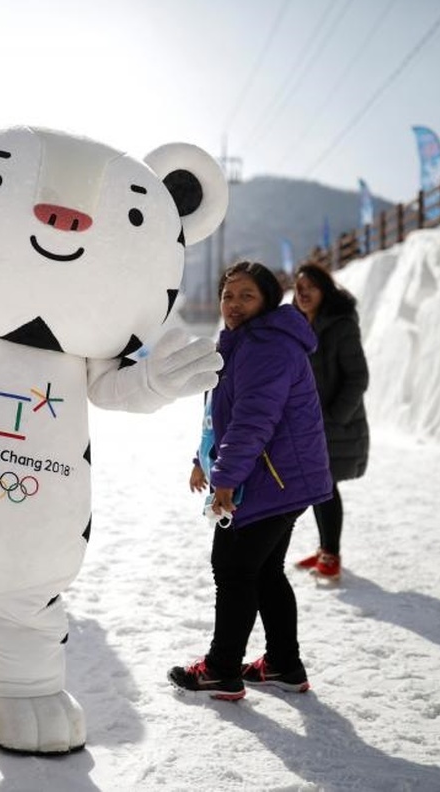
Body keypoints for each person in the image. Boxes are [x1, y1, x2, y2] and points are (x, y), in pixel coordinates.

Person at [171, 261, 333, 701]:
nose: (234, 304)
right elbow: (220, 414)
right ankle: (283, 664)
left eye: (246, 295)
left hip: (271, 479)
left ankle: (222, 670)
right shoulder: (244, 342)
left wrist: (225, 479)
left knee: (234, 568)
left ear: (266, 300)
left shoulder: (266, 345)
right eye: (228, 295)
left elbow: (251, 421)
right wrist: (202, 459)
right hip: (278, 478)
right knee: (263, 571)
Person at [290, 263, 370, 582]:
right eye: (299, 288)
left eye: (310, 287)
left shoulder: (340, 326)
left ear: (325, 290)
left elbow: (357, 377)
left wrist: (333, 417)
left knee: (324, 487)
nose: (303, 293)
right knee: (318, 486)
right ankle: (326, 547)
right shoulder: (299, 327)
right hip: (309, 424)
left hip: (335, 423)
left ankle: (331, 554)